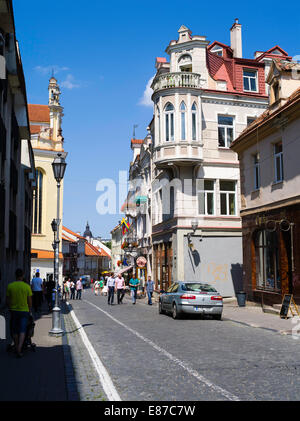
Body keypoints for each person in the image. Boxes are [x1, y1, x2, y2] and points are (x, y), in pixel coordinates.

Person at [6, 269, 33, 358]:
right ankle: (19, 348)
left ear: (15, 275)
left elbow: (8, 300)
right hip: (24, 311)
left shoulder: (10, 286)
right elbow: (29, 301)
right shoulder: (26, 287)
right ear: (23, 276)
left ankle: (16, 345)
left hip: (13, 311)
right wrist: (29, 310)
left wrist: (10, 308)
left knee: (14, 330)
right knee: (22, 330)